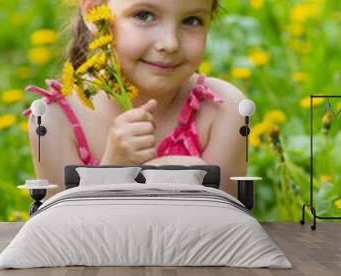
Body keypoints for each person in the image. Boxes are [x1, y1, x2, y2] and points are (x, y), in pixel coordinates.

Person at [23, 0, 246, 199]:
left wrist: (191, 181)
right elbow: (64, 232)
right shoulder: (53, 120)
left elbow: (226, 228)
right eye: (144, 15)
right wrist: (112, 169)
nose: (170, 43)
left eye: (192, 20)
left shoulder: (223, 110)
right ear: (94, 12)